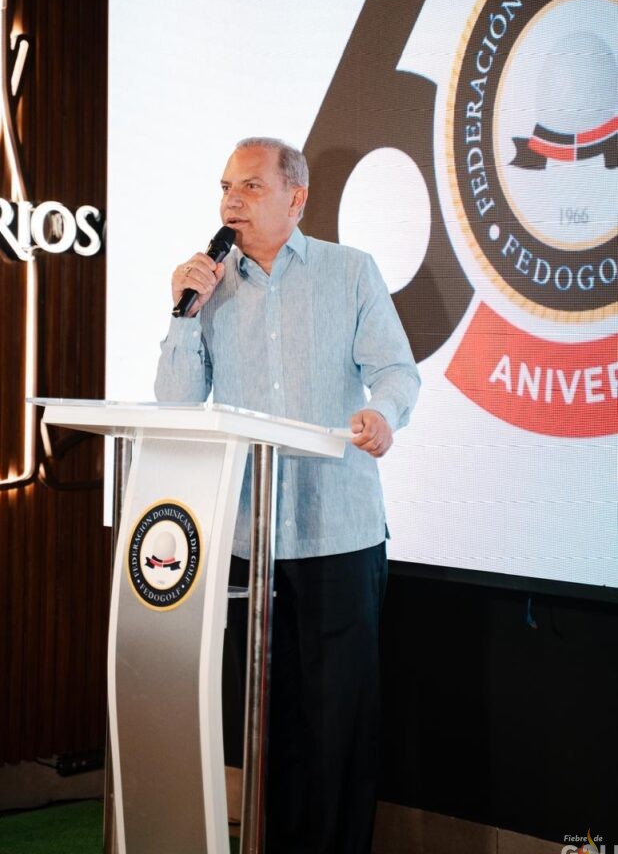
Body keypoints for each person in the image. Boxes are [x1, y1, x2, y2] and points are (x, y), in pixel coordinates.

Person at [155, 137, 420, 854]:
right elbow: (177, 404)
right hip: (252, 537)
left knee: (341, 727)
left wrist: (382, 416)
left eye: (249, 186)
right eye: (225, 188)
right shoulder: (210, 288)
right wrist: (182, 316)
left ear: (295, 198)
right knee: (269, 728)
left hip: (338, 533)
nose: (230, 201)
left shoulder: (349, 271)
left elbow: (398, 372)